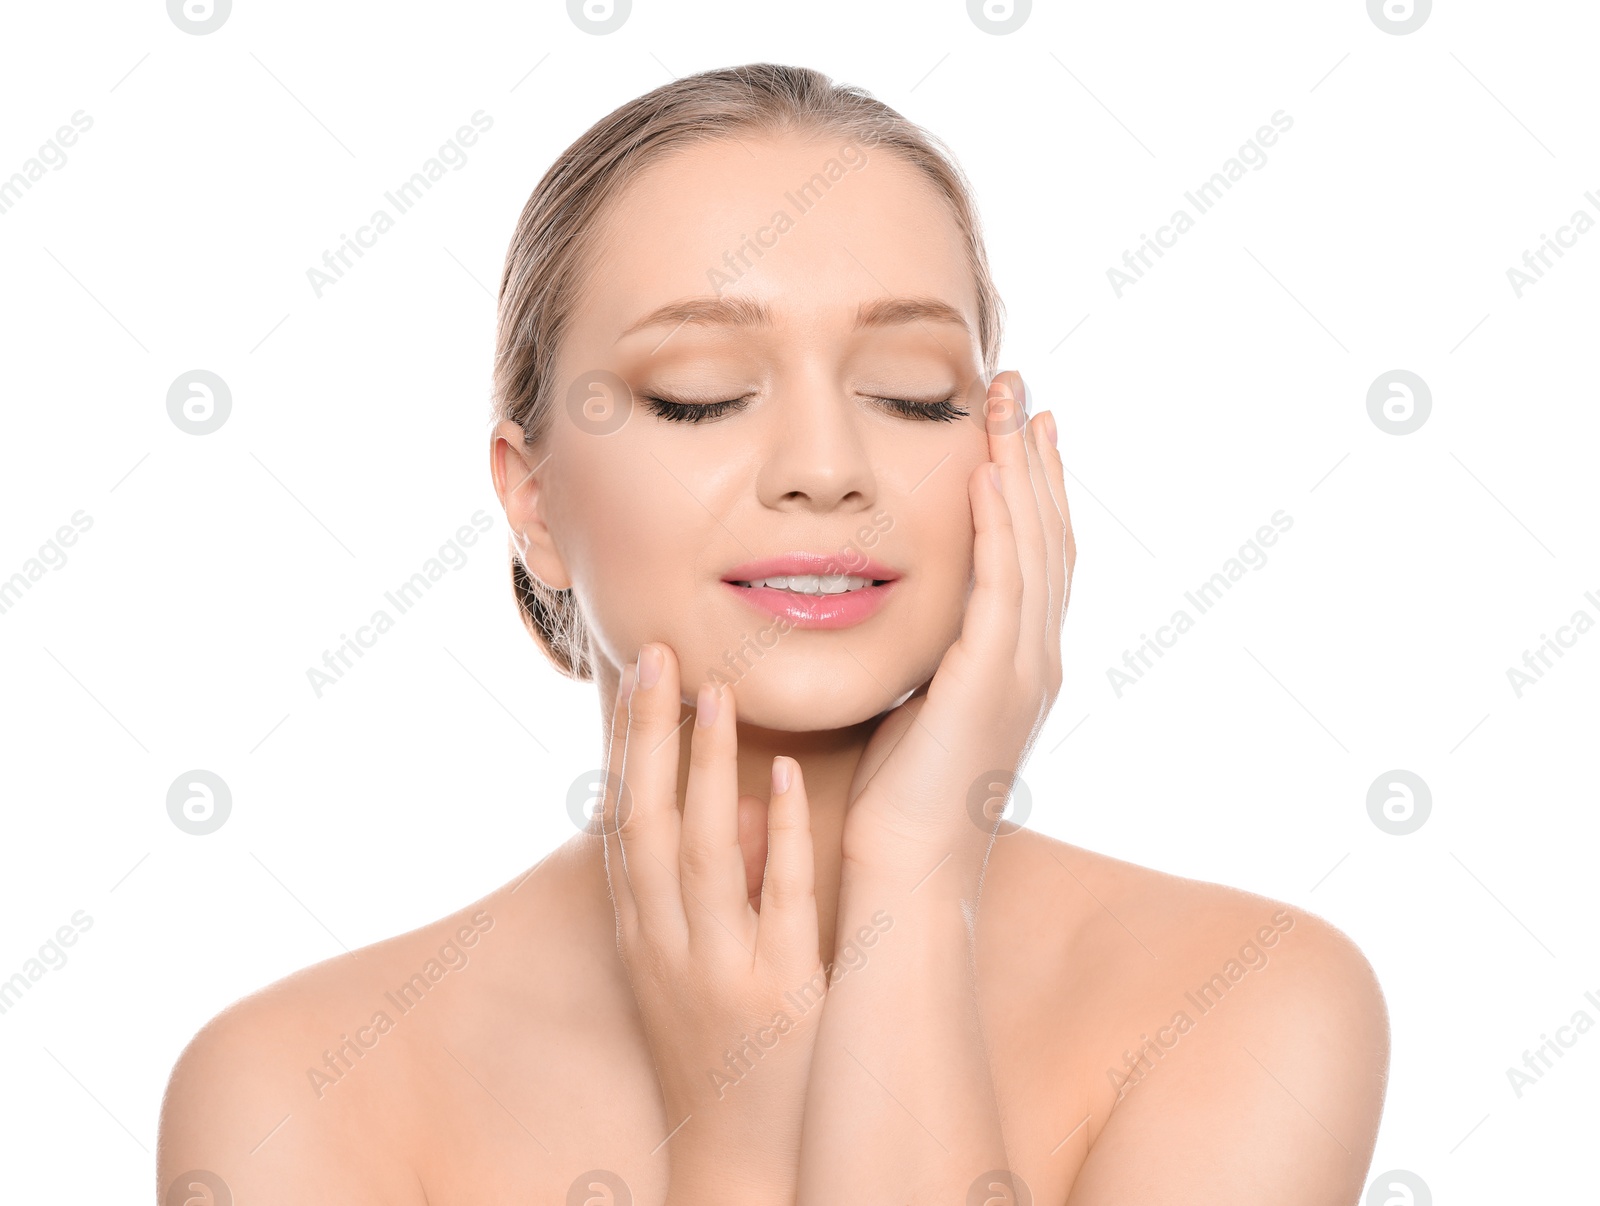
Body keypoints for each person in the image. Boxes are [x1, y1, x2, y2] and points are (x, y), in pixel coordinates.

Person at [157, 62, 1388, 1205]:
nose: (823, 469)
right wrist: (743, 1130)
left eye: (911, 391)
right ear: (532, 501)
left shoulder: (1248, 998)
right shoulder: (292, 1090)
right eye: (699, 393)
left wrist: (908, 886)